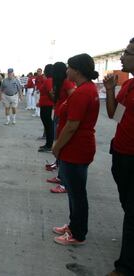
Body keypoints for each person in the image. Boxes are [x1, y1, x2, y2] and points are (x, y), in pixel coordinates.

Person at [52, 53, 100, 246]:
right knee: (74, 191)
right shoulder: (87, 89)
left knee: (77, 193)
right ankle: (74, 226)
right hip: (79, 147)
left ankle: (77, 233)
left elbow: (72, 125)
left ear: (77, 70)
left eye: (69, 67)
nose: (66, 71)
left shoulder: (82, 92)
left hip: (76, 148)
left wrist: (57, 146)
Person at [104, 37, 134, 276]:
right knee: (127, 205)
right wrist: (110, 90)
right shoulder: (128, 86)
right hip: (121, 154)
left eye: (128, 53)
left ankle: (124, 268)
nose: (123, 57)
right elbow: (115, 116)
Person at [48, 61, 75, 194]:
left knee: (60, 146)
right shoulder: (59, 83)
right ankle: (60, 175)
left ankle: (64, 182)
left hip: (63, 117)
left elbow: (73, 97)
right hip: (58, 114)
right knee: (58, 143)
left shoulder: (67, 83)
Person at [38, 64, 54, 152]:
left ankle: (49, 145)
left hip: (47, 105)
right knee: (47, 125)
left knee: (48, 125)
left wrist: (54, 102)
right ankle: (48, 144)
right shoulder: (49, 80)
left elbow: (51, 93)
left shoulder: (48, 81)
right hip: (45, 104)